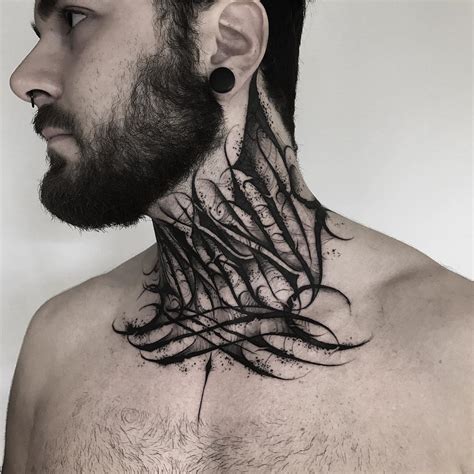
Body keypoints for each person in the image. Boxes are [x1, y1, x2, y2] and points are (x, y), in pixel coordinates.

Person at [3, 0, 472, 472]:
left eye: (75, 18)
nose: (23, 79)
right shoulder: (57, 346)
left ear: (230, 41)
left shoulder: (457, 352)